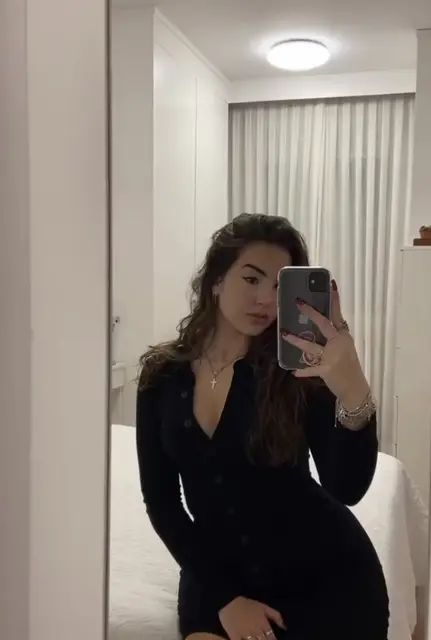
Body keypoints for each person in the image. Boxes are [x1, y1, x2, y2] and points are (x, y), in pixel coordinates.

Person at [136, 214, 389, 640]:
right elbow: (161, 502)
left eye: (278, 288)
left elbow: (346, 488)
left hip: (325, 580)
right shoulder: (161, 375)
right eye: (251, 279)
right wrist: (226, 599)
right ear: (217, 280)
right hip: (216, 575)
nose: (265, 301)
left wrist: (352, 390)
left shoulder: (298, 372)